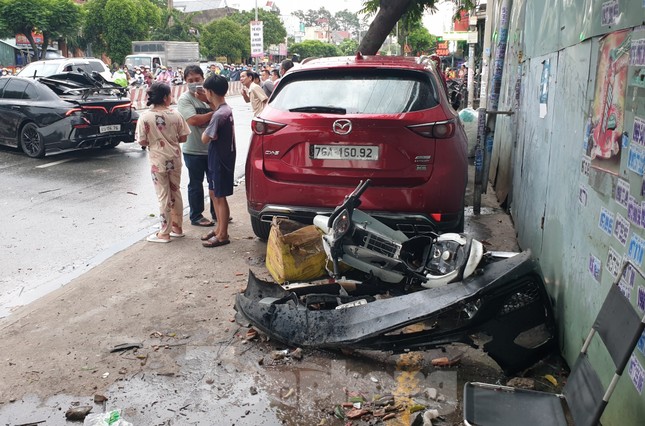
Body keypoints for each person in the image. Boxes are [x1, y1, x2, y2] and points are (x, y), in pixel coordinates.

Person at [136, 82, 191, 243]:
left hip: (157, 162)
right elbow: (183, 137)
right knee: (176, 192)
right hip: (175, 159)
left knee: (163, 195)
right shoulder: (176, 115)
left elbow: (142, 142)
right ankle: (177, 228)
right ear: (166, 97)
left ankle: (164, 233)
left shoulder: (145, 117)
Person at [177, 65, 218, 227]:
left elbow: (222, 110)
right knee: (195, 184)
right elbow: (193, 120)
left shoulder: (210, 96)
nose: (194, 83)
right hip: (192, 149)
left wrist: (208, 101)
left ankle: (218, 213)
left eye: (197, 79)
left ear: (203, 78)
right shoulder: (184, 99)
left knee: (215, 183)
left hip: (212, 149)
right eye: (190, 80)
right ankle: (196, 216)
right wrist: (213, 114)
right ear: (185, 82)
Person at [200, 75, 236, 248]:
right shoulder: (225, 110)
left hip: (220, 159)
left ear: (210, 92)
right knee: (215, 194)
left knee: (219, 197)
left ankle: (223, 234)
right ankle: (219, 229)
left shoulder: (218, 115)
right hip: (222, 157)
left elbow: (205, 138)